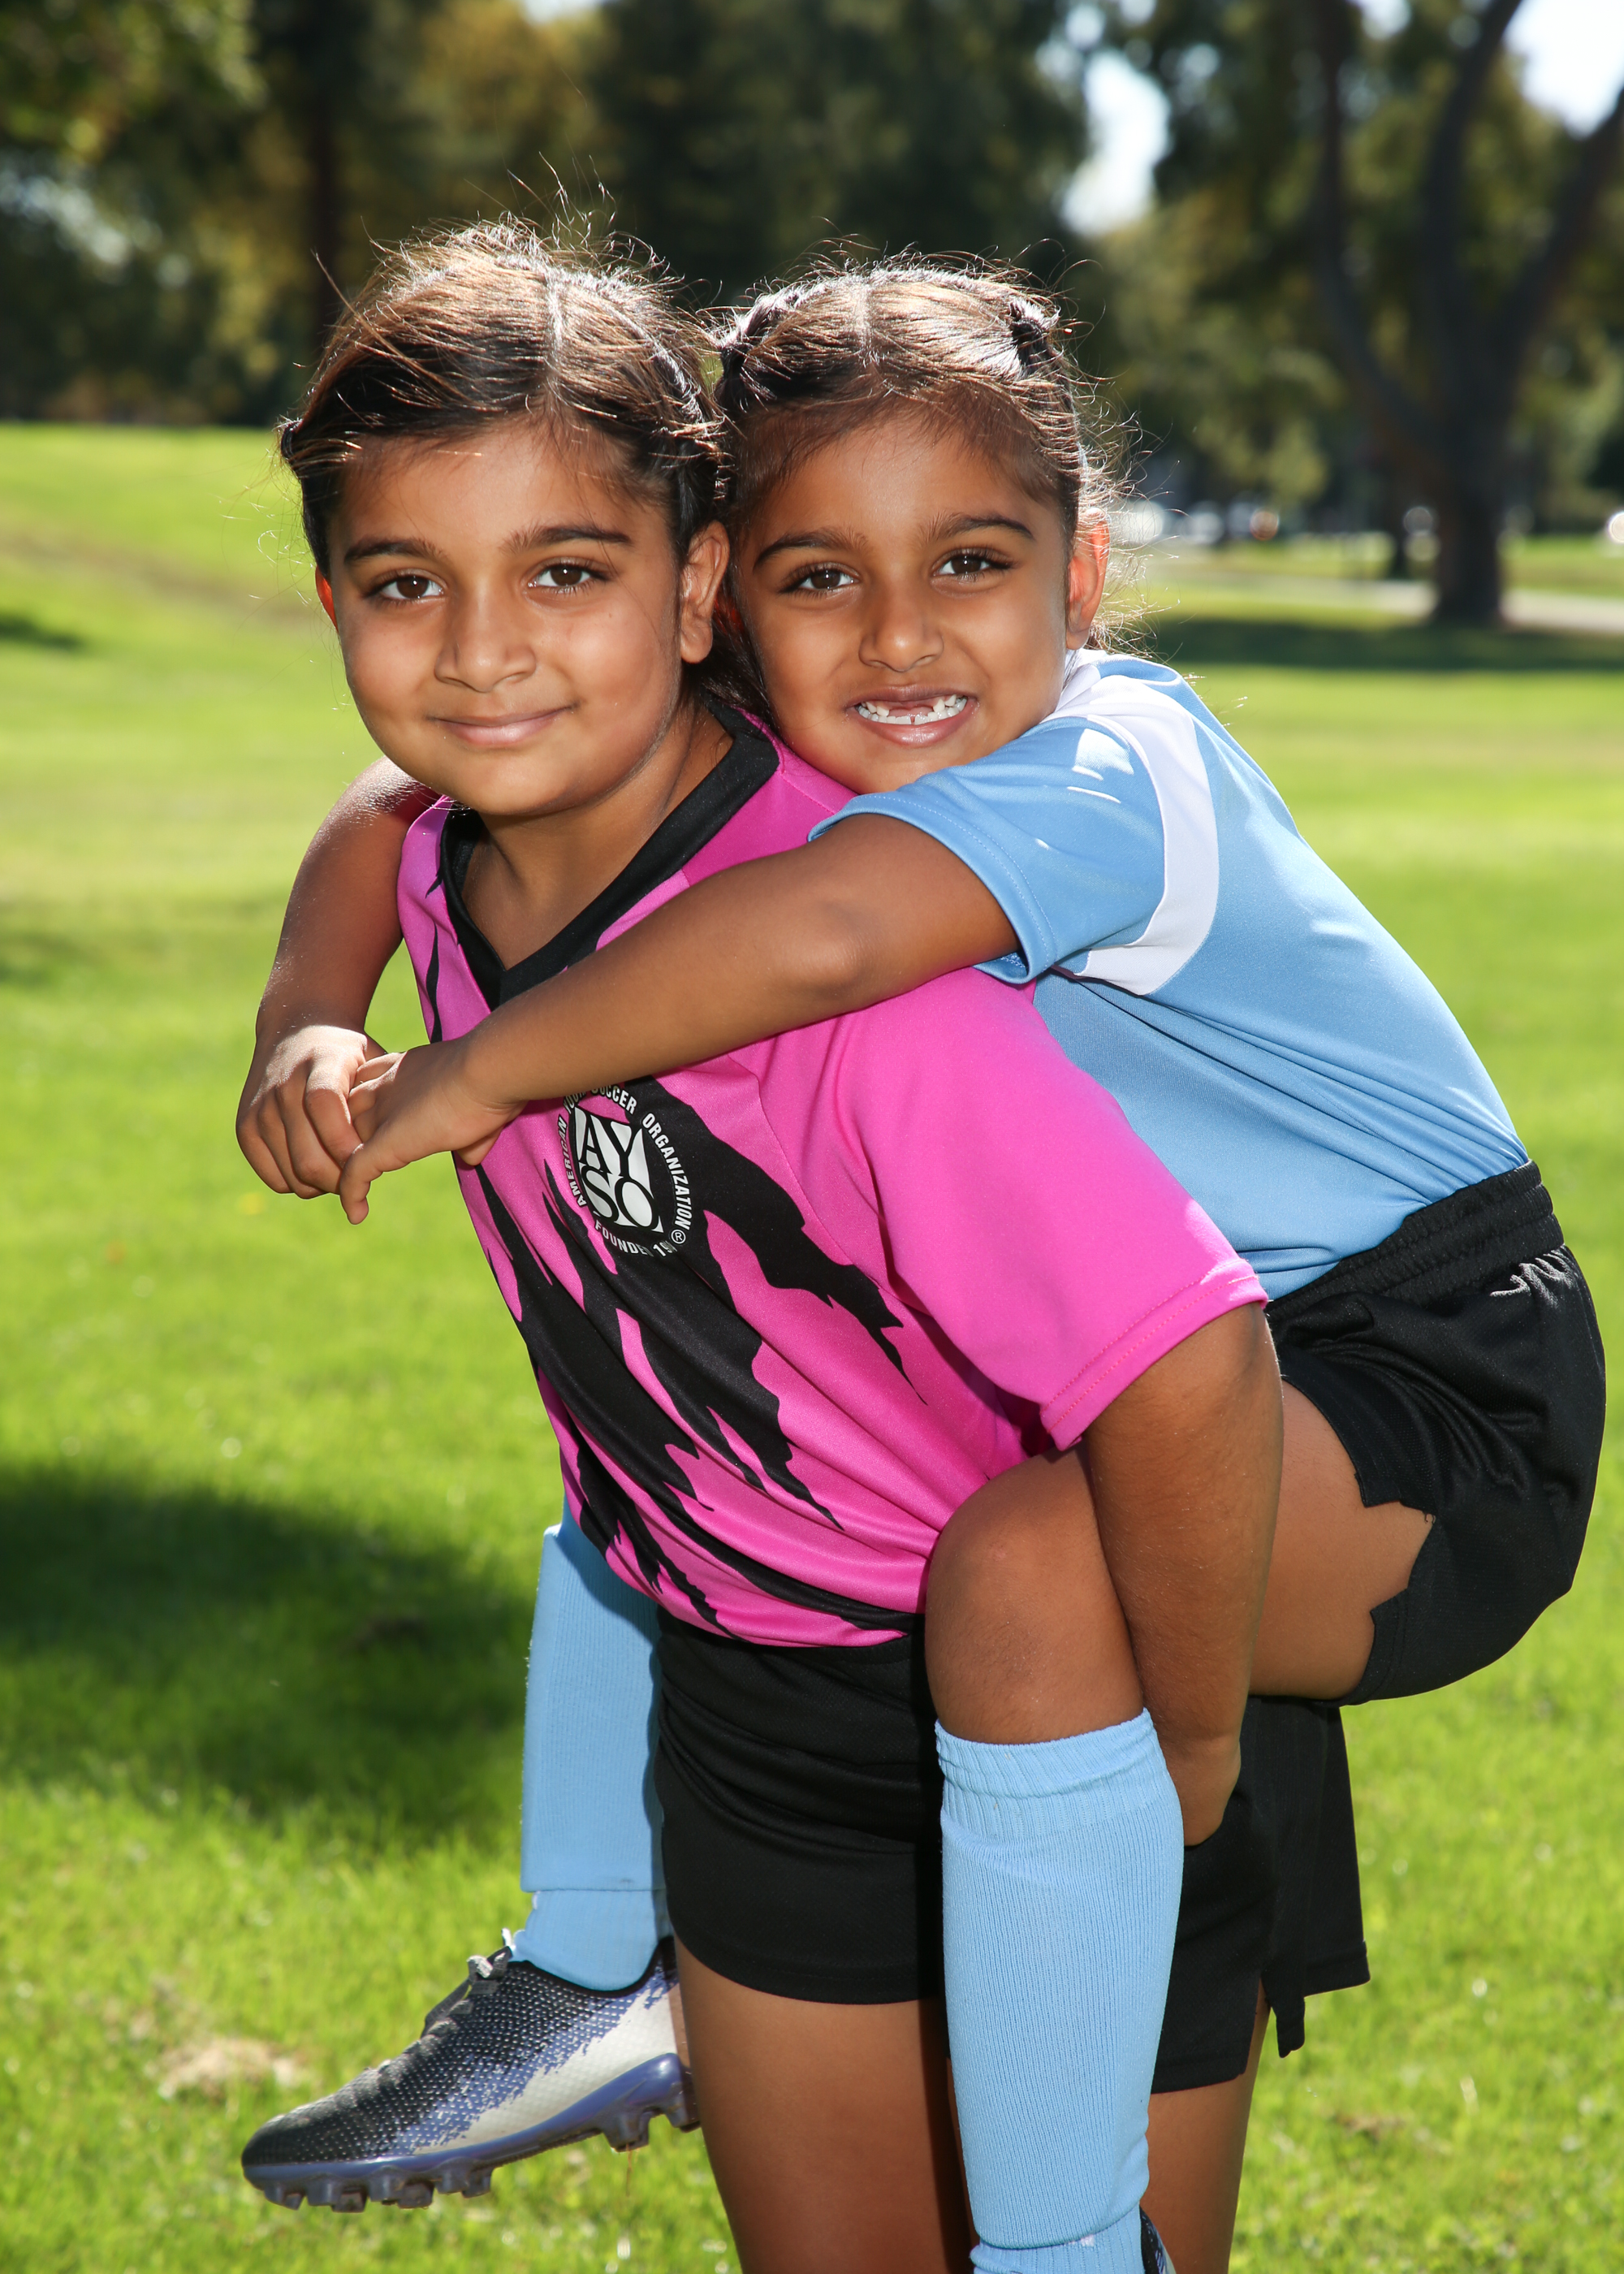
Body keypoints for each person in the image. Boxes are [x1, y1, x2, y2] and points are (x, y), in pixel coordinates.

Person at [238, 260, 1605, 2274]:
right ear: (731, 595)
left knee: (1040, 1569)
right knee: (685, 1414)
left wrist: (472, 1070)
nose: (895, 636)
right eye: (823, 578)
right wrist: (306, 1010)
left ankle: (1065, 2234)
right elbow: (392, 806)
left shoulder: (1108, 767)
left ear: (1083, 573)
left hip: (1426, 1352)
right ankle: (591, 1957)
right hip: (1159, 1352)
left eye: (968, 559)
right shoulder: (737, 772)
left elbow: (814, 938)